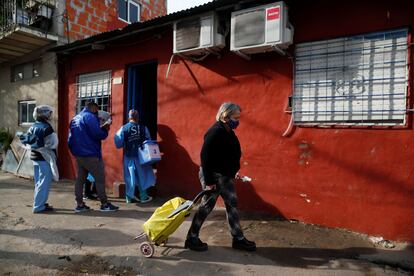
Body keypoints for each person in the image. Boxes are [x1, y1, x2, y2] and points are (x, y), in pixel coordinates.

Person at [185, 102, 256, 252]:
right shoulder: (215, 131)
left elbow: (226, 156)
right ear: (225, 116)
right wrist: (209, 181)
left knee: (232, 204)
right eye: (235, 117)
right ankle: (191, 238)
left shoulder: (228, 130)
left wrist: (233, 172)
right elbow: (205, 157)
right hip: (213, 176)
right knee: (206, 207)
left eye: (238, 117)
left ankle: (238, 239)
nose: (237, 121)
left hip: (225, 177)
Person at [68, 101, 119, 212]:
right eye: (97, 109)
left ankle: (80, 204)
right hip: (91, 154)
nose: (97, 113)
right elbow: (98, 134)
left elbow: (70, 139)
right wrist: (105, 129)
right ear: (93, 108)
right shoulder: (90, 117)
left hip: (79, 154)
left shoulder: (75, 119)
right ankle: (104, 204)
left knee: (80, 180)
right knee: (100, 179)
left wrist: (75, 152)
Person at [20, 105, 58, 213]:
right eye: (49, 113)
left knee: (39, 182)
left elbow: (27, 141)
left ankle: (40, 202)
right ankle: (39, 206)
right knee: (44, 182)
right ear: (45, 114)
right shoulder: (47, 127)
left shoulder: (33, 126)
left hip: (35, 156)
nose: (51, 115)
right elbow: (53, 144)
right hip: (44, 157)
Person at [114, 109, 154, 203]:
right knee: (142, 176)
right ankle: (143, 196)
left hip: (128, 156)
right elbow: (149, 141)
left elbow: (118, 142)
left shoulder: (123, 128)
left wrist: (124, 144)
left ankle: (129, 197)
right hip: (141, 157)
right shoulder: (144, 128)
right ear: (137, 117)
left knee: (129, 176)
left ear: (129, 117)